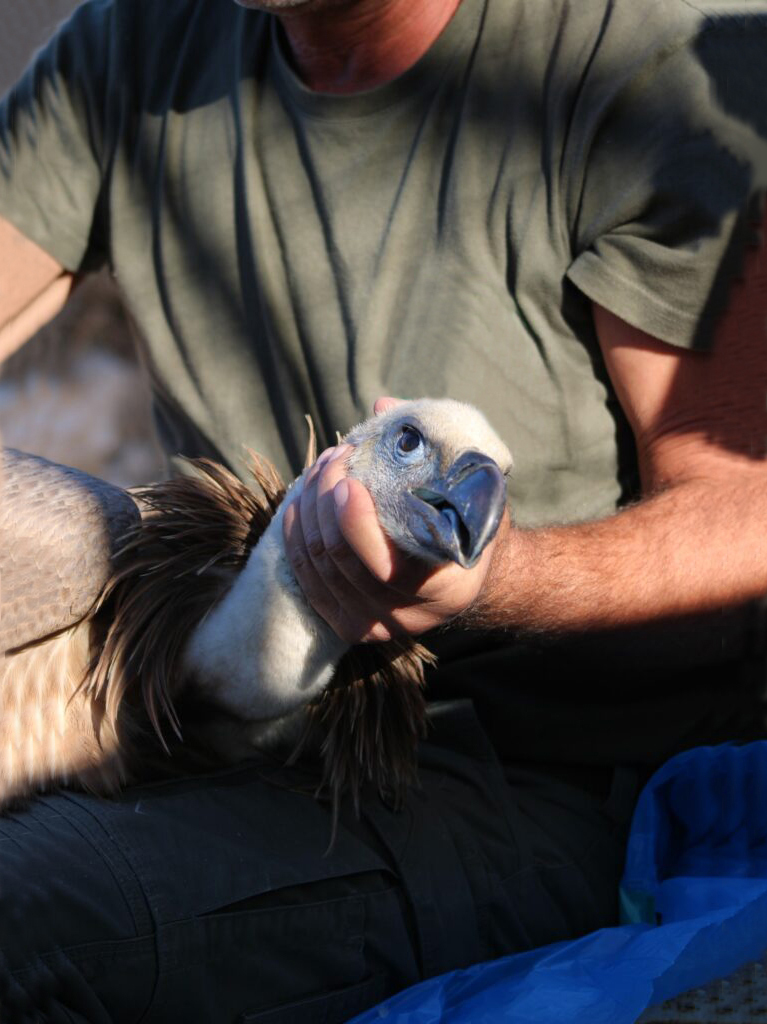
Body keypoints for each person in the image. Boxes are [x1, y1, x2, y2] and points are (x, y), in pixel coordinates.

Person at [0, 0, 766, 1019]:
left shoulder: (637, 60)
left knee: (24, 909)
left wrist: (498, 583)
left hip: (516, 785)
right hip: (206, 727)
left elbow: (744, 524)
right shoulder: (141, 42)